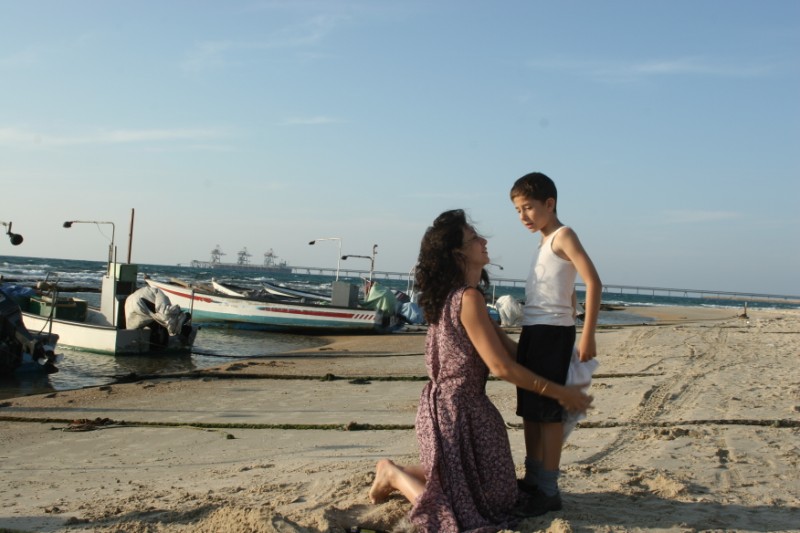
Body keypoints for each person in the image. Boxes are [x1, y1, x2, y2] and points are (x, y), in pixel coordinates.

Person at [368, 209, 593, 532]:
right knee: (460, 514)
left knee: (499, 496)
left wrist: (559, 361)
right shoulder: (467, 298)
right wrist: (559, 392)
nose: (484, 241)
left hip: (471, 411)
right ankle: (394, 475)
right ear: (458, 254)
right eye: (474, 238)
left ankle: (398, 472)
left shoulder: (464, 296)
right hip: (453, 413)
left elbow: (513, 352)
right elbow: (501, 366)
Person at [509, 172, 602, 514]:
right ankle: (533, 478)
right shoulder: (543, 241)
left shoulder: (564, 236)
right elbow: (567, 287)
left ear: (550, 204)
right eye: (518, 210)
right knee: (530, 411)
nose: (523, 216)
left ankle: (548, 489)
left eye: (528, 207)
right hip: (533, 330)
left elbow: (593, 281)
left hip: (553, 333)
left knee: (548, 414)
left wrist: (587, 333)